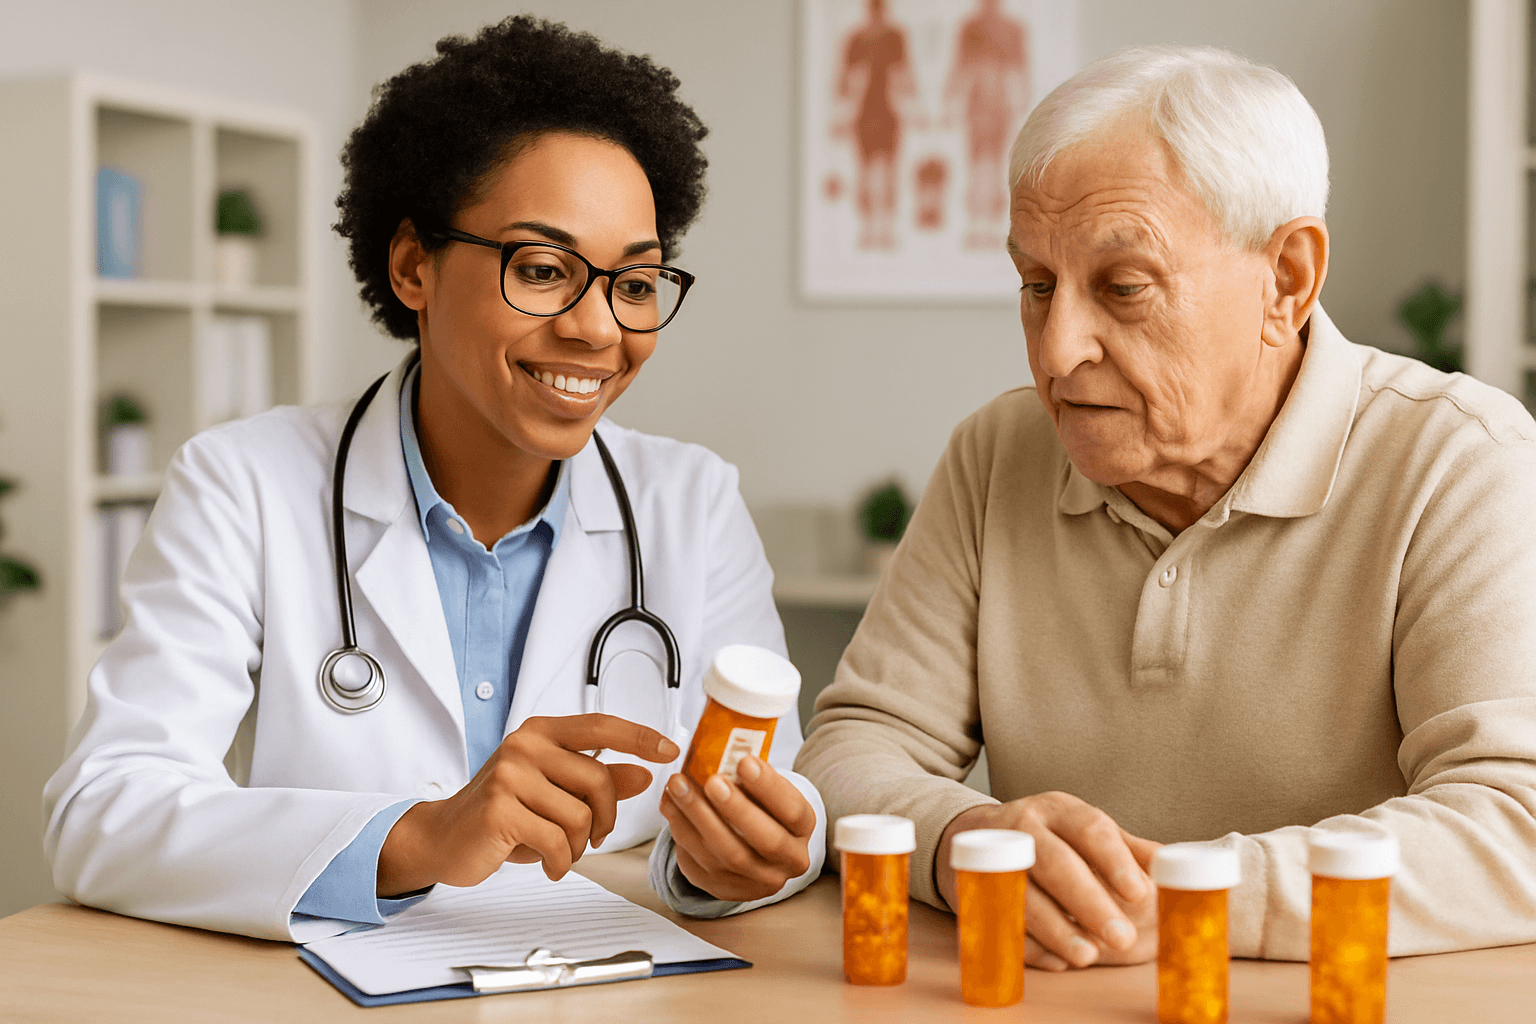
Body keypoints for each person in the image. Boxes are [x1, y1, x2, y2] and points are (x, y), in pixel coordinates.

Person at [44, 17, 823, 941]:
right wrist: (419, 837)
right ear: (415, 267)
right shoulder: (243, 485)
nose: (596, 328)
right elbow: (103, 809)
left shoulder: (692, 504)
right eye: (543, 269)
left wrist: (734, 861)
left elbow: (783, 794)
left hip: (601, 983)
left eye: (636, 283)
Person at [796, 45, 1536, 968]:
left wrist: (1189, 901)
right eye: (1037, 285)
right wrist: (962, 841)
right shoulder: (998, 453)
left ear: (1288, 280)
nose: (1058, 351)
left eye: (1124, 287)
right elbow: (855, 748)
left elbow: (1516, 824)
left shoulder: (1462, 460)